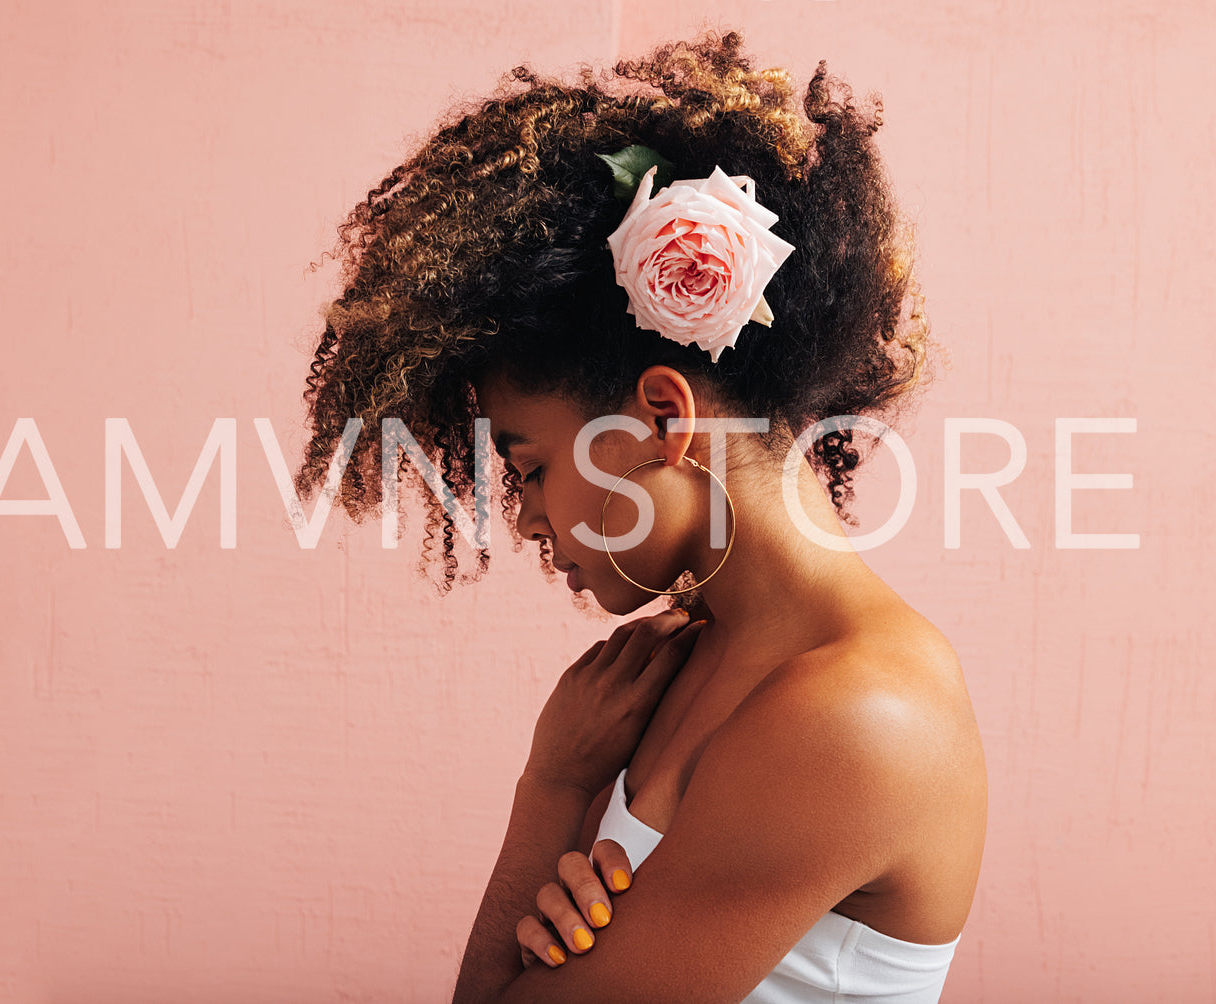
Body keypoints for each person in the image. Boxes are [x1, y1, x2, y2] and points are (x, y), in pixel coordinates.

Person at [294, 29, 987, 1004]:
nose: (524, 519)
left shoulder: (855, 712)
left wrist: (552, 795)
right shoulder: (676, 656)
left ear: (662, 417)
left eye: (527, 466)